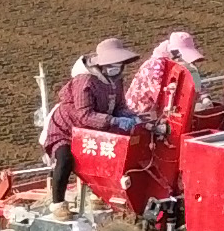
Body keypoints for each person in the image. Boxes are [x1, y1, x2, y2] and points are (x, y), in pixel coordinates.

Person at [46, 36, 142, 206]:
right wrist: (114, 121)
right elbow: (84, 115)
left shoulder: (116, 81)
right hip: (67, 128)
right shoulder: (85, 81)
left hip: (95, 128)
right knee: (65, 159)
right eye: (112, 65)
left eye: (119, 65)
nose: (116, 68)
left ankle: (98, 194)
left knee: (105, 157)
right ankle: (58, 204)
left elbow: (119, 105)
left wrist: (128, 115)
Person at [122, 30, 204, 132]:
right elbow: (162, 99)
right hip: (140, 115)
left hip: (158, 114)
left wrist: (204, 97)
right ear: (174, 53)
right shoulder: (154, 68)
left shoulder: (183, 66)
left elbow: (195, 82)